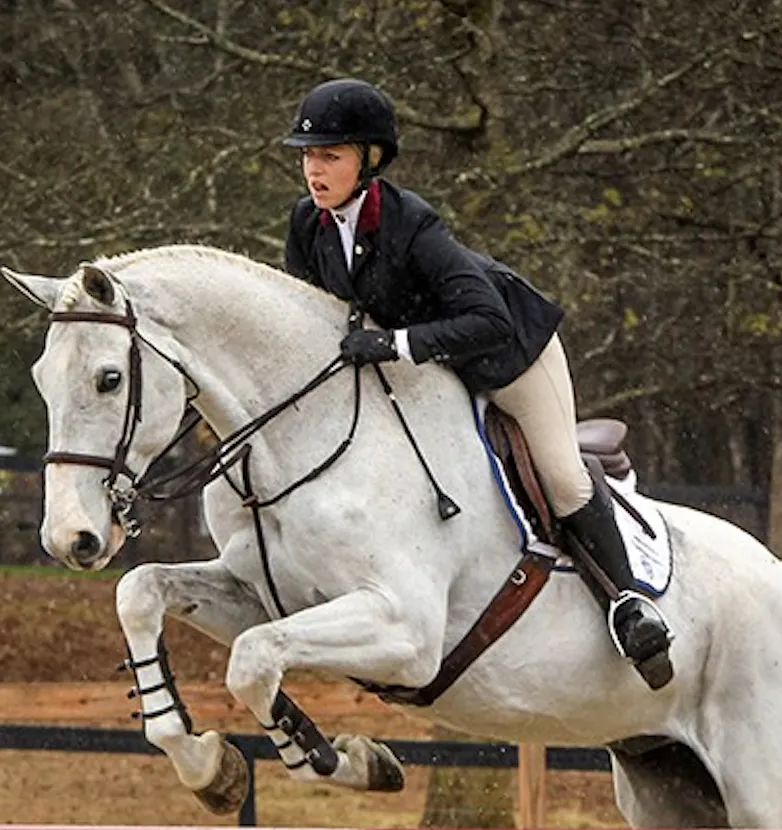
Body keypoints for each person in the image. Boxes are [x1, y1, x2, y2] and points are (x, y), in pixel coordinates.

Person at [281, 78, 673, 690]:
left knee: (561, 473)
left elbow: (486, 319)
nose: (314, 169)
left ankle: (631, 606)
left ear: (371, 160)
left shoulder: (413, 224)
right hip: (430, 370)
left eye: (330, 155)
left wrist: (392, 344)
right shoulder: (308, 225)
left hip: (510, 355)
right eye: (308, 155)